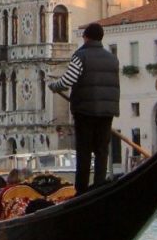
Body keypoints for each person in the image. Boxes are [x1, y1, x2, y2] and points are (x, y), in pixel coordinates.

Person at [48, 22, 120, 195]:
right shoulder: (112, 59)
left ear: (86, 37)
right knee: (102, 150)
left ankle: (81, 190)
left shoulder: (81, 56)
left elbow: (68, 80)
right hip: (107, 110)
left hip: (85, 110)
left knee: (84, 150)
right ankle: (100, 185)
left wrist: (54, 86)